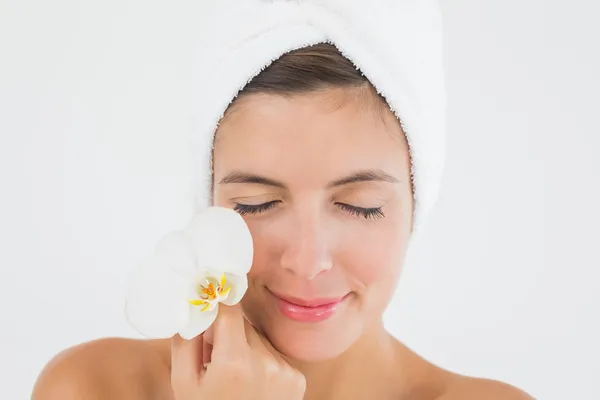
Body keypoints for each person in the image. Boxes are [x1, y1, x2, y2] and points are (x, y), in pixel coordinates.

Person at [32, 1, 534, 399]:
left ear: (416, 203)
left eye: (360, 205)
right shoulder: (95, 389)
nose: (308, 261)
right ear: (207, 199)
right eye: (255, 204)